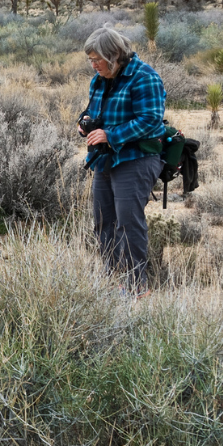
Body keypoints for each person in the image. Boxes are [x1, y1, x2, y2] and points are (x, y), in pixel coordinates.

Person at [79, 26, 166, 291]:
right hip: (105, 159)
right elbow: (93, 109)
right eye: (91, 60)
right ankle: (111, 278)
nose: (94, 65)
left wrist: (110, 135)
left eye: (98, 60)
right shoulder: (101, 78)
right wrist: (84, 122)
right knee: (103, 221)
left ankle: (135, 284)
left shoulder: (144, 77)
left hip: (136, 158)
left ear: (114, 54)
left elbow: (150, 120)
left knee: (128, 223)